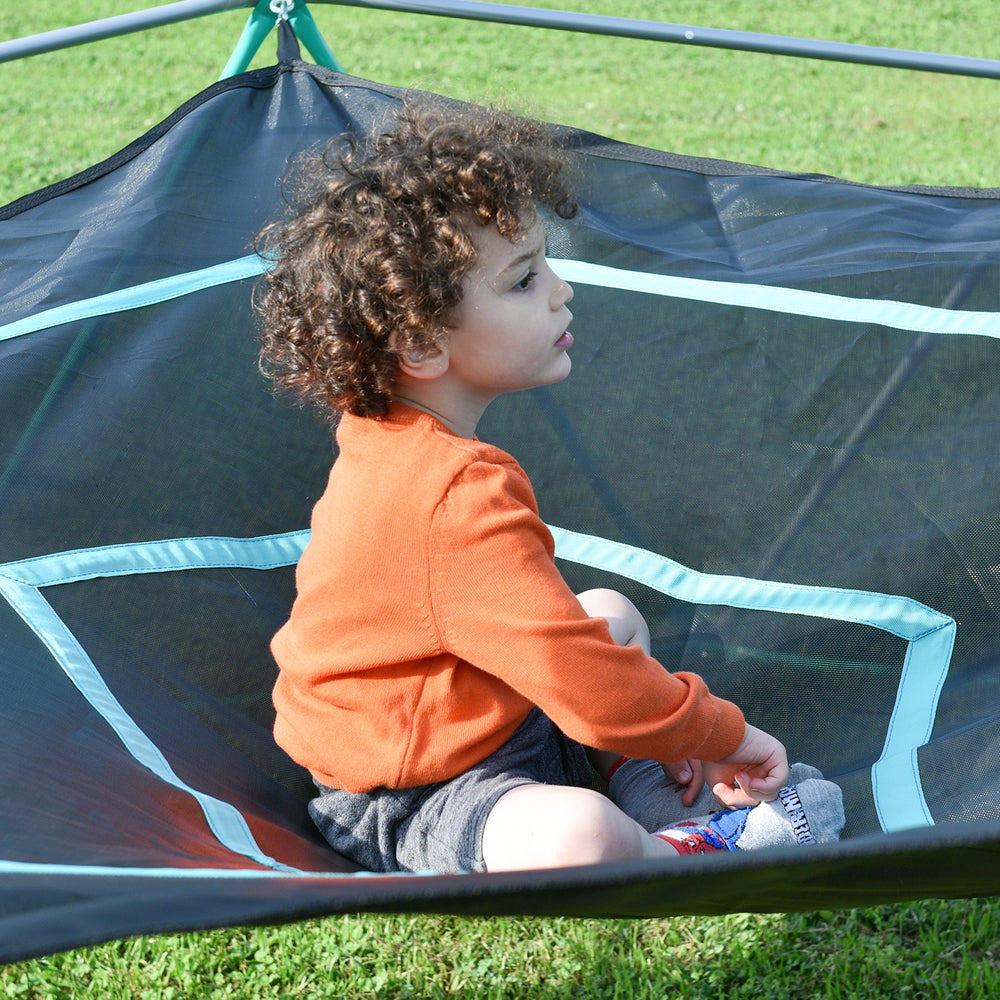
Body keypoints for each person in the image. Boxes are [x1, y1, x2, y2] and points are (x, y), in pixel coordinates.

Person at [254, 98, 844, 874]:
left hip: (496, 719)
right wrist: (725, 737)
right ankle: (683, 845)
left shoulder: (398, 439)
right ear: (423, 342)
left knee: (607, 613)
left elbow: (557, 649)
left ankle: (646, 786)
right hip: (415, 791)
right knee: (581, 836)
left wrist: (650, 728)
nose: (561, 291)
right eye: (524, 280)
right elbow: (582, 680)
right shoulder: (446, 496)